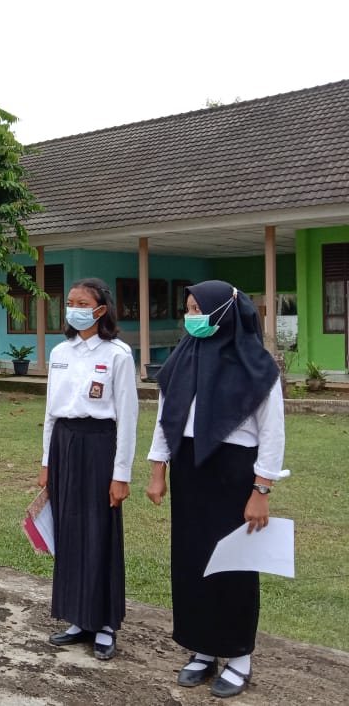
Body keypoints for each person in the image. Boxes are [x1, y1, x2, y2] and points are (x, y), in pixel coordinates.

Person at [146, 280, 285, 699]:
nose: (191, 317)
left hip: (234, 472)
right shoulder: (182, 358)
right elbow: (166, 417)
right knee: (192, 561)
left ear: (224, 312)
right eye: (188, 309)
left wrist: (261, 489)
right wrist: (158, 469)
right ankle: (202, 648)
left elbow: (272, 431)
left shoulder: (256, 365)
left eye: (198, 309)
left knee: (234, 564)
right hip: (190, 469)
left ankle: (239, 656)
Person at [40, 277, 138, 661]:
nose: (74, 309)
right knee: (69, 529)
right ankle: (78, 617)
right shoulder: (60, 352)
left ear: (100, 310)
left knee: (99, 531)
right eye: (70, 302)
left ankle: (105, 623)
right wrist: (46, 462)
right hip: (64, 443)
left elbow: (127, 418)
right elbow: (51, 411)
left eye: (82, 303)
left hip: (99, 445)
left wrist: (121, 473)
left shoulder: (118, 355)